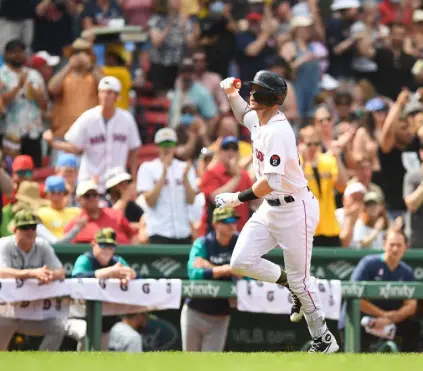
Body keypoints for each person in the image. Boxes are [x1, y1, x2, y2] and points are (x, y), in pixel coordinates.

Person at [216, 71, 339, 352]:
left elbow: (269, 181)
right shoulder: (261, 120)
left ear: (273, 98)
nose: (252, 93)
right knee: (240, 261)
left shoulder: (278, 131)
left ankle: (323, 338)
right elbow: (243, 116)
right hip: (270, 208)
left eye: (257, 90)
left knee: (302, 280)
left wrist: (237, 198)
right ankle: (289, 284)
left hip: (295, 209)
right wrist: (231, 94)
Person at [44, 76, 141, 194]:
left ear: (117, 96)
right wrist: (53, 143)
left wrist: (134, 181)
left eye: (110, 93)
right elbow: (75, 147)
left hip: (117, 181)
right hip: (90, 182)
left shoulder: (126, 119)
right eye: (103, 92)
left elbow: (134, 151)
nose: (106, 96)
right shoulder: (88, 118)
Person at [339, 228, 419, 352]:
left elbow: (411, 305)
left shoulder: (406, 272)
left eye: (399, 245)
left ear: (406, 248)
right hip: (361, 321)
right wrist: (382, 315)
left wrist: (390, 318)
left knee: (413, 326)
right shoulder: (368, 264)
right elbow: (356, 298)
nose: (395, 249)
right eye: (392, 245)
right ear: (384, 245)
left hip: (390, 322)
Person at [0, 210, 66, 351]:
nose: (30, 231)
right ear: (14, 229)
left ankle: (42, 365)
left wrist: (49, 275)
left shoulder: (42, 245)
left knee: (57, 328)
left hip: (33, 312)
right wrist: (31, 273)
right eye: (25, 228)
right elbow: (1, 272)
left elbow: (60, 272)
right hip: (6, 312)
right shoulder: (5, 244)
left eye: (33, 227)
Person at [181, 208, 241, 352]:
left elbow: (248, 272)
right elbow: (193, 273)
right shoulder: (203, 243)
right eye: (227, 221)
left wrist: (212, 267)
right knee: (189, 364)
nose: (232, 225)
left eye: (234, 221)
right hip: (195, 310)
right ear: (215, 224)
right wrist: (227, 270)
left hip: (220, 315)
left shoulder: (240, 242)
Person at [71, 227, 136, 350]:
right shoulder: (86, 259)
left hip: (109, 321)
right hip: (80, 317)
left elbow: (133, 274)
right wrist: (109, 272)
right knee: (87, 336)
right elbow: (77, 277)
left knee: (133, 338)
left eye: (110, 246)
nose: (106, 250)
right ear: (93, 244)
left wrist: (130, 274)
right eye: (102, 245)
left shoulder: (117, 261)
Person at [137, 128, 196, 244]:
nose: (167, 147)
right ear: (157, 146)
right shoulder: (147, 168)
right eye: (163, 143)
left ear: (175, 146)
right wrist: (164, 174)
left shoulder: (185, 167)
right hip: (158, 232)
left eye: (170, 143)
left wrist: (185, 179)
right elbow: (150, 201)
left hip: (182, 232)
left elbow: (191, 200)